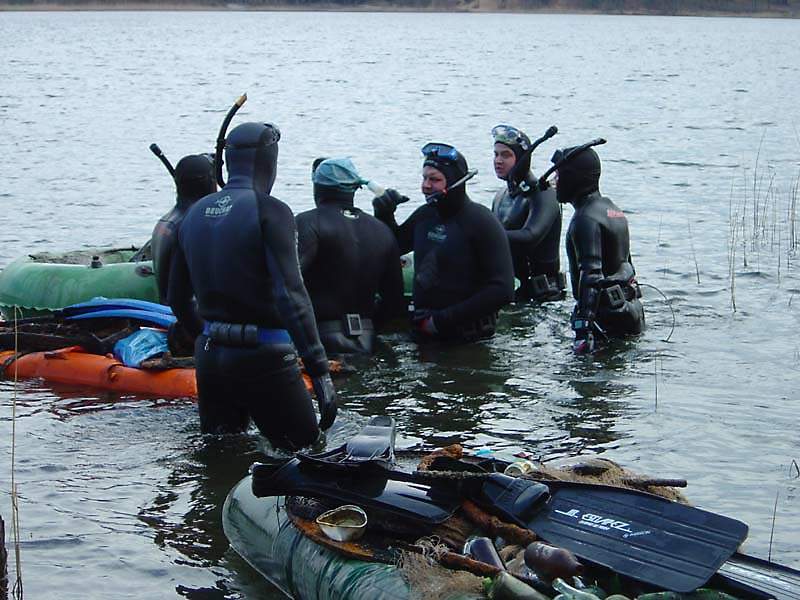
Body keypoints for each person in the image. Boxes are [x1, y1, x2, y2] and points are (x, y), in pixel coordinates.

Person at [167, 122, 337, 448]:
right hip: (263, 355)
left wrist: (210, 335)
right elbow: (290, 294)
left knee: (222, 451)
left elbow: (176, 297)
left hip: (211, 355)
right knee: (307, 451)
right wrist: (318, 369)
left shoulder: (194, 214)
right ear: (269, 161)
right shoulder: (272, 211)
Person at [372, 143, 514, 343]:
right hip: (424, 329)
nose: (425, 186)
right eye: (424, 178)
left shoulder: (481, 221)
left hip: (469, 339)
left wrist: (440, 321)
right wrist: (384, 214)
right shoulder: (425, 215)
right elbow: (393, 248)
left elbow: (503, 290)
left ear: (456, 182)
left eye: (435, 179)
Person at [296, 157, 405, 355]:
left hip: (320, 340)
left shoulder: (308, 223)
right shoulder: (382, 231)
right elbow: (394, 301)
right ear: (355, 188)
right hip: (367, 341)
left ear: (317, 187)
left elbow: (287, 281)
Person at [551, 143, 645, 354]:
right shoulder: (612, 210)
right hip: (630, 312)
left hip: (606, 320)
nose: (555, 181)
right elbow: (627, 266)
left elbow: (591, 276)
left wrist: (583, 328)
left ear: (574, 178)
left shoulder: (585, 218)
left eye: (559, 175)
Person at [490, 125, 565, 302]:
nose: (498, 160)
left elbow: (530, 236)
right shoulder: (500, 196)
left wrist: (482, 234)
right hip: (513, 292)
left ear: (523, 158)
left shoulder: (544, 195)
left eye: (506, 155)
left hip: (544, 300)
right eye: (496, 154)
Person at [151, 154, 216, 304]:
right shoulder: (195, 223)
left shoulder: (167, 219)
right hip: (187, 311)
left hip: (168, 305)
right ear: (209, 182)